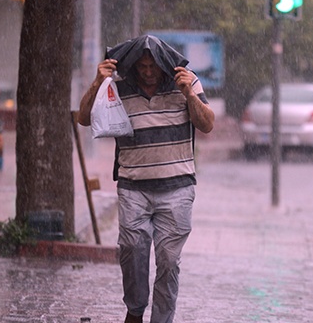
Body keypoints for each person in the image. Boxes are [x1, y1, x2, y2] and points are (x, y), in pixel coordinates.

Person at [77, 35, 215, 323]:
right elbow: (84, 118)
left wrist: (189, 94)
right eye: (142, 66)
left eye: (153, 66)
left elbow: (207, 124)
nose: (148, 72)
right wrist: (96, 82)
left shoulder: (187, 82)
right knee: (131, 250)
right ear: (133, 66)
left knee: (168, 261)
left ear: (164, 65)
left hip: (177, 189)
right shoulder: (117, 88)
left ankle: (161, 319)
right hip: (132, 188)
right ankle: (135, 310)